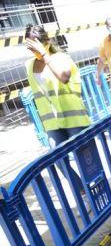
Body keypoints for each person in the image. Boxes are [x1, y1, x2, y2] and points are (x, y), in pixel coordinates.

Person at [23, 24, 91, 152]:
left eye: (37, 46)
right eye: (31, 47)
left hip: (74, 118)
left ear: (47, 42)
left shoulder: (62, 58)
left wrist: (44, 54)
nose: (34, 50)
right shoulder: (29, 65)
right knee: (58, 161)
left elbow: (64, 77)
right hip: (51, 123)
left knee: (87, 162)